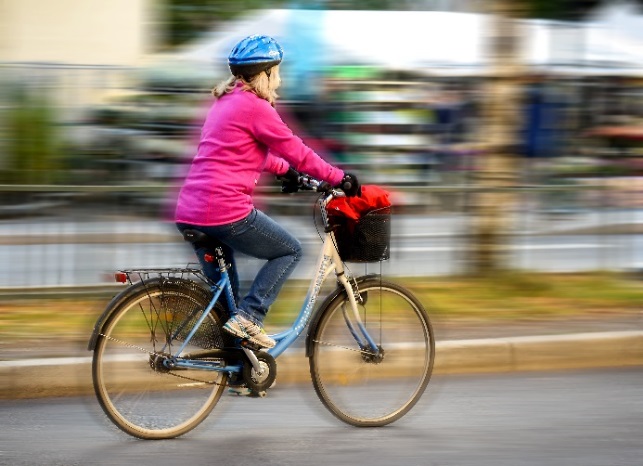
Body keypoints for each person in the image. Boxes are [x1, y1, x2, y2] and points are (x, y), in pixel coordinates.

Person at [174, 35, 358, 349]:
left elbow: (241, 151)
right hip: (224, 211)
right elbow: (297, 151)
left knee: (226, 305)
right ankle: (252, 316)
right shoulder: (256, 107)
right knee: (290, 250)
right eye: (278, 71)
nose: (281, 79)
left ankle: (236, 366)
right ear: (266, 73)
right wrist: (340, 178)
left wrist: (286, 172)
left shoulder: (225, 102)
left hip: (190, 210)